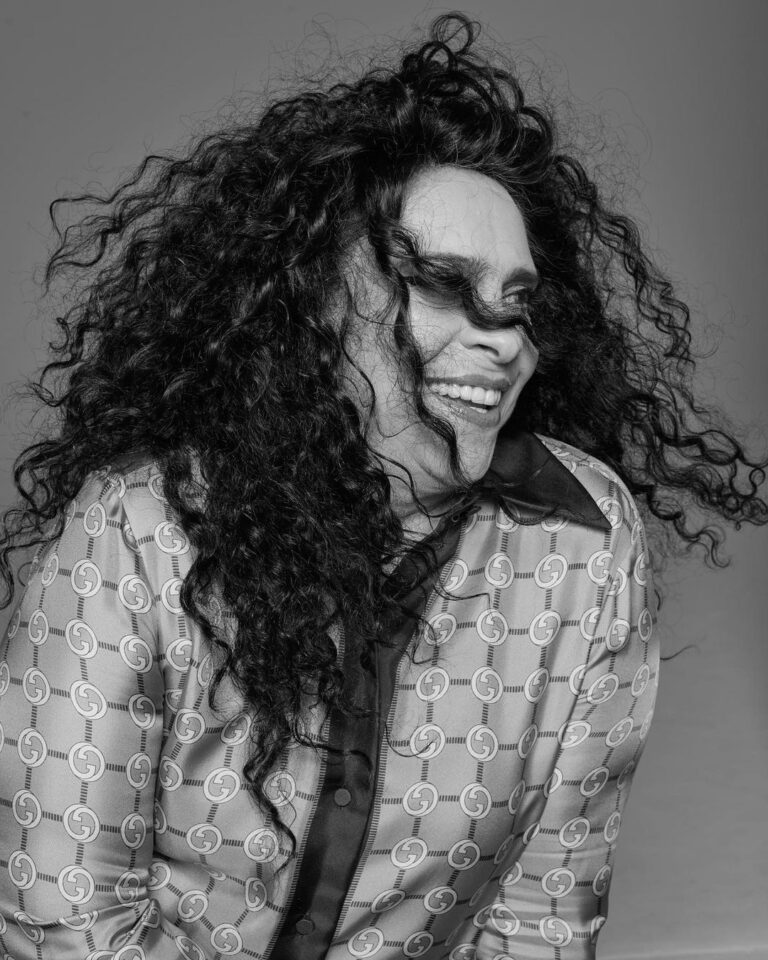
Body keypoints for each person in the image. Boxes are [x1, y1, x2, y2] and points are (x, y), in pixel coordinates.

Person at [0, 13, 764, 960]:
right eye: (443, 283)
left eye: (518, 303)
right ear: (313, 299)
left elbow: (541, 921)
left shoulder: (585, 543)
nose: (503, 340)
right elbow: (66, 925)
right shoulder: (141, 528)